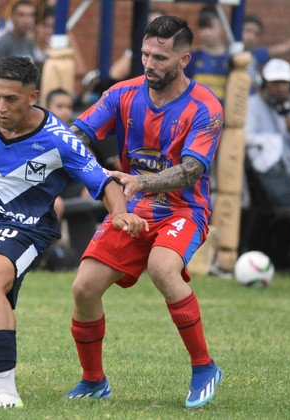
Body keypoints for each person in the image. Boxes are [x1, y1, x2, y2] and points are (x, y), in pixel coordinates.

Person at [0, 56, 147, 409]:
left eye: (11, 99)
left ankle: (6, 392)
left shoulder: (59, 140)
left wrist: (121, 214)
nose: (0, 107)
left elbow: (105, 182)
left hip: (25, 227)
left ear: (33, 96)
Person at [65, 16, 224, 409]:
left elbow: (193, 169)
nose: (150, 64)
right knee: (84, 288)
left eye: (160, 58)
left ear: (184, 59)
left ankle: (204, 367)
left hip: (184, 208)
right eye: (145, 55)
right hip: (133, 207)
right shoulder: (121, 93)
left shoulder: (206, 107)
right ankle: (93, 380)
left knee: (162, 268)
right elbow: (76, 135)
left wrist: (141, 182)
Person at [245, 59, 290, 206]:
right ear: (263, 84)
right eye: (275, 83)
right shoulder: (251, 106)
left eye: (284, 83)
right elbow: (245, 138)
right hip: (259, 178)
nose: (280, 88)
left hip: (288, 177)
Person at [242, 14, 290, 93]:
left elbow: (284, 48)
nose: (251, 37)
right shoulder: (233, 54)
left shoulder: (255, 55)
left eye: (256, 34)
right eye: (248, 30)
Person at [185, 6, 230, 103]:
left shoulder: (232, 59)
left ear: (221, 27)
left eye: (210, 27)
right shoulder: (191, 57)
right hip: (197, 110)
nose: (205, 33)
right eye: (202, 28)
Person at [0, 0, 43, 68]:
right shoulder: (3, 44)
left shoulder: (30, 42)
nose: (27, 20)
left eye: (31, 15)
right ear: (12, 16)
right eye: (21, 15)